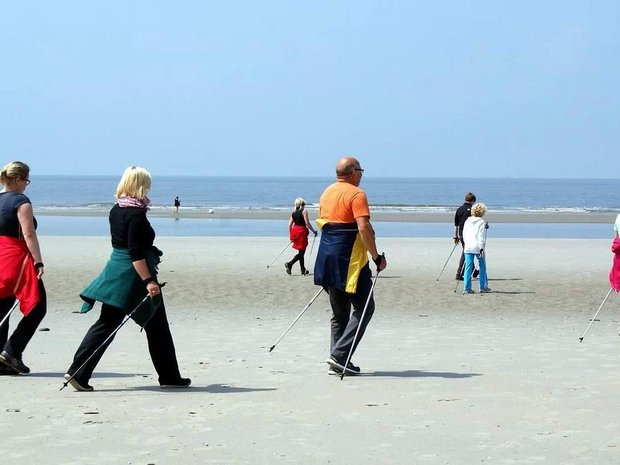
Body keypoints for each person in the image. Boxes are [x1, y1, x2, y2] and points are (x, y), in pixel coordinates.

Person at [65, 166, 190, 391]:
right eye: (147, 184)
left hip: (117, 270)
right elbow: (134, 252)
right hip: (131, 275)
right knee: (119, 324)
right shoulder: (136, 213)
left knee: (135, 324)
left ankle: (170, 376)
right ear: (140, 185)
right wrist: (149, 281)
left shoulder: (117, 209)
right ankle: (79, 372)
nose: (149, 189)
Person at [314, 156, 387, 375]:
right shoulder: (357, 194)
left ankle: (337, 360)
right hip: (349, 260)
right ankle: (340, 355)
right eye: (361, 170)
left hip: (327, 258)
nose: (362, 174)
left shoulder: (327, 192)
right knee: (365, 307)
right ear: (354, 171)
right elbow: (363, 228)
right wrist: (376, 257)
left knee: (340, 314)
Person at [0, 161, 47, 375]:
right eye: (26, 180)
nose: (27, 185)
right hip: (17, 257)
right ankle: (12, 351)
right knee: (38, 304)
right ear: (17, 180)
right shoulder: (21, 201)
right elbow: (28, 233)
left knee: (3, 306)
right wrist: (38, 261)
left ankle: (2, 360)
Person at [285, 197, 318, 276]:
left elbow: (289, 225)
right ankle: (290, 264)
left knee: (300, 251)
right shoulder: (304, 211)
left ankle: (302, 270)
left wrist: (291, 236)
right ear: (302, 204)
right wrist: (314, 231)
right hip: (301, 232)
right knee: (302, 252)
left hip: (295, 231)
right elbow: (307, 223)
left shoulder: (294, 212)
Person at [462, 203, 490, 294]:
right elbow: (480, 237)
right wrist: (481, 247)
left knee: (468, 267)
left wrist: (466, 243)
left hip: (468, 246)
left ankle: (467, 288)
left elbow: (464, 233)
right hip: (478, 247)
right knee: (482, 266)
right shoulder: (481, 222)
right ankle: (482, 287)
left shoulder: (467, 220)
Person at [454, 192, 479, 280]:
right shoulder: (472, 209)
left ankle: (474, 271)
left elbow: (456, 224)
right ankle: (459, 273)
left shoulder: (459, 209)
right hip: (469, 233)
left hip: (460, 233)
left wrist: (456, 236)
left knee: (467, 251)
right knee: (466, 252)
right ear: (472, 200)